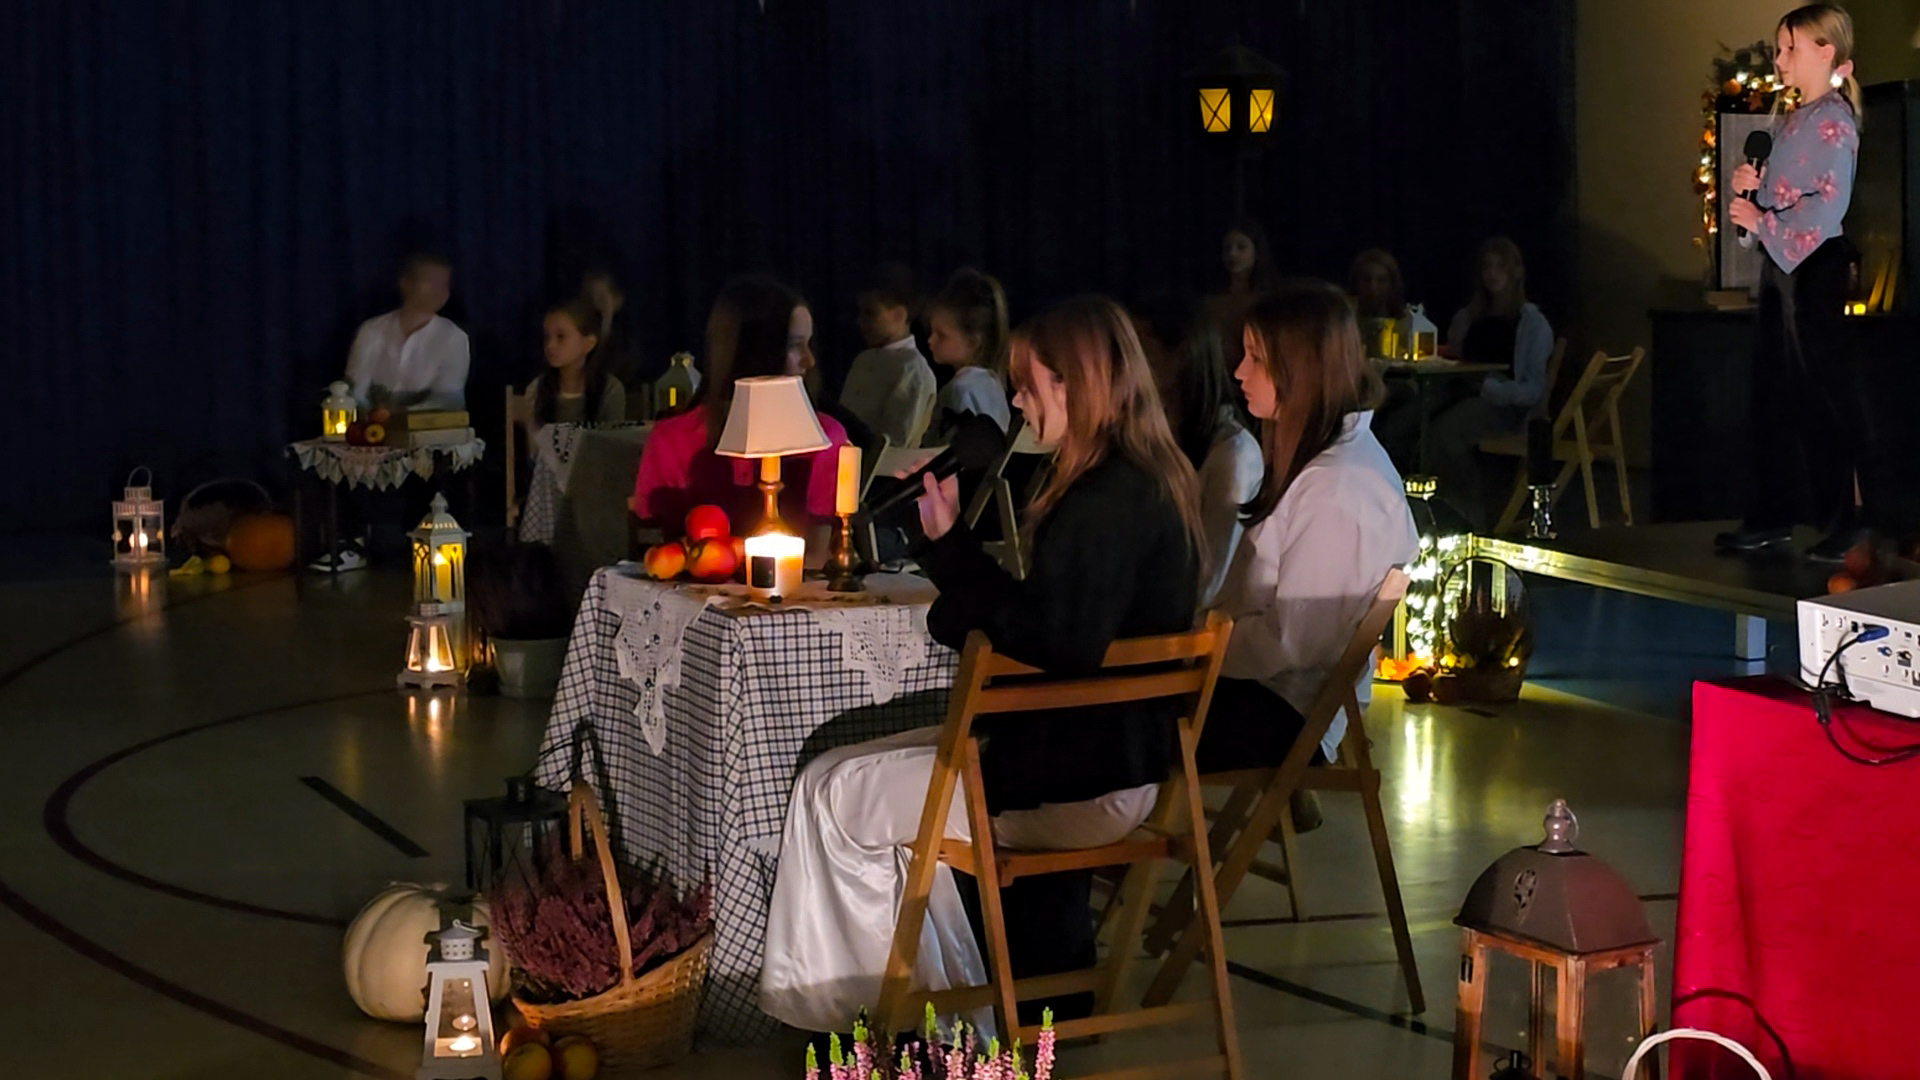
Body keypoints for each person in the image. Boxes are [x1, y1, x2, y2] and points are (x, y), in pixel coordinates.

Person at [761, 296, 1204, 1035]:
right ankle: (940, 1015)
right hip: (1126, 766)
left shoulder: (1103, 499)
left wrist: (959, 605)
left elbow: (1055, 642)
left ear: (1076, 383)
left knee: (829, 794)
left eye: (1028, 385)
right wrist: (949, 548)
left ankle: (879, 1023)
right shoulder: (1151, 480)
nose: (1017, 402)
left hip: (1070, 781)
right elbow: (1047, 620)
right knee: (838, 780)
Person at [1201, 280, 1417, 776]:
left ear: (1300, 369)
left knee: (1106, 723)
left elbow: (1292, 642)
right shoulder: (1321, 463)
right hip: (1261, 690)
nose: (1239, 372)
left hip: (1283, 712)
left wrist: (1196, 648)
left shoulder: (1339, 487)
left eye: (1256, 358)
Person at [1716, 4, 1869, 560]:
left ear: (1826, 52)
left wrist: (1763, 221)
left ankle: (1847, 519)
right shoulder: (1793, 118)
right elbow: (1786, 200)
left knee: (1819, 393)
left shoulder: (1834, 121)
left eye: (1790, 49)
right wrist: (1753, 195)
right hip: (1783, 269)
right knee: (1772, 393)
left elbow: (1827, 207)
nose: (1780, 60)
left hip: (1813, 269)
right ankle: (1773, 511)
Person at [631, 277, 849, 535]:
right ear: (753, 351)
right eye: (793, 345)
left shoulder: (825, 439)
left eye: (809, 344)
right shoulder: (673, 439)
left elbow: (821, 547)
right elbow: (651, 542)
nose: (809, 361)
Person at [1383, 237, 1552, 527]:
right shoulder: (1469, 317)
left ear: (1516, 271)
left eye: (1500, 266)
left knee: (1443, 435)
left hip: (1503, 404)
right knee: (1400, 426)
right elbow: (1455, 355)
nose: (1493, 273)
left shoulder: (1532, 324)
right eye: (1487, 266)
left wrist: (1488, 387)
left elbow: (1533, 390)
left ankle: (1466, 518)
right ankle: (1402, 513)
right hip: (1456, 388)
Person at [1134, 294, 1261, 610]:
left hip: (1193, 632)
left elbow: (1208, 582)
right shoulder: (1152, 438)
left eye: (1140, 349)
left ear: (1180, 355)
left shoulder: (1233, 454)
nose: (1128, 366)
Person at [343, 251, 470, 411]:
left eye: (444, 285)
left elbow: (448, 399)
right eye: (430, 282)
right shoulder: (372, 330)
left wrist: (400, 415)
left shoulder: (453, 337)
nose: (438, 291)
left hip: (428, 425)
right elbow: (355, 389)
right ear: (405, 284)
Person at [839, 265, 937, 449]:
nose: (860, 321)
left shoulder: (912, 370)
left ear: (899, 315)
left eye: (870, 313)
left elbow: (896, 443)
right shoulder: (863, 360)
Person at [925, 269, 1012, 443]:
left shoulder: (959, 390)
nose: (930, 340)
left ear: (972, 342)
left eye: (942, 335)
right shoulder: (993, 384)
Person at [527, 297, 625, 430]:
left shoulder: (610, 390)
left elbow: (613, 440)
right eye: (547, 337)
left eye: (561, 337)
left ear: (588, 343)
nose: (550, 345)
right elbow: (535, 441)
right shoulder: (536, 390)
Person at [1206, 218, 1281, 371]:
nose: (1232, 253)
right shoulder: (1212, 298)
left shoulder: (1268, 298)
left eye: (1241, 247)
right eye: (1227, 248)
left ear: (1256, 252)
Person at [580, 266, 649, 390]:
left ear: (617, 300)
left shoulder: (627, 349)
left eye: (601, 298)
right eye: (589, 298)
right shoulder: (576, 345)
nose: (595, 304)